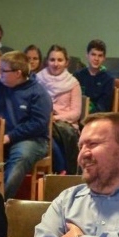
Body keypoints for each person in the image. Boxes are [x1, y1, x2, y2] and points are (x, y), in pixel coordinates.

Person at [0, 51, 52, 199]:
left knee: (20, 156)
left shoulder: (38, 93)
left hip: (32, 140)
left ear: (18, 73)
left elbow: (39, 124)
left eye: (4, 70)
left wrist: (10, 136)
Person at [37, 44, 82, 174]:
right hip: (44, 122)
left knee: (49, 131)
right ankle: (62, 169)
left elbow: (75, 113)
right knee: (44, 130)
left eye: (60, 60)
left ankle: (62, 170)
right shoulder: (38, 80)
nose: (55, 64)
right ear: (47, 61)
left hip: (65, 125)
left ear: (66, 62)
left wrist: (55, 118)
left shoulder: (73, 83)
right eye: (52, 60)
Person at [73, 39, 114, 113]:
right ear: (87, 55)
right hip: (78, 113)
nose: (96, 59)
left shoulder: (108, 79)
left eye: (100, 56)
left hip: (98, 117)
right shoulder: (78, 76)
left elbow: (103, 106)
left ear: (104, 58)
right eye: (93, 54)